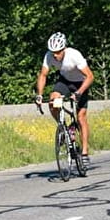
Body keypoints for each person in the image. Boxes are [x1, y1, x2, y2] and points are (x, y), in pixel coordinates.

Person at [34, 31, 94, 161]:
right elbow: (43, 75)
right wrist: (39, 95)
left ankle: (84, 151)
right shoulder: (49, 56)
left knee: (81, 117)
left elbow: (90, 76)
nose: (55, 55)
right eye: (53, 51)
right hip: (65, 81)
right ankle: (65, 130)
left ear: (64, 48)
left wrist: (79, 92)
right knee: (53, 100)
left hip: (81, 83)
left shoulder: (74, 55)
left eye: (58, 52)